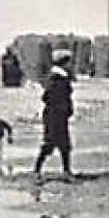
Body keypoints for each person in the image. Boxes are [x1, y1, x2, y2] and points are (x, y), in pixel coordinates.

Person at [34, 48, 75, 183]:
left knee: (64, 144)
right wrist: (61, 106)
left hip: (60, 115)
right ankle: (37, 170)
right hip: (54, 115)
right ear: (64, 63)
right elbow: (47, 97)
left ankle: (66, 171)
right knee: (49, 143)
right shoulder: (55, 78)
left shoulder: (61, 76)